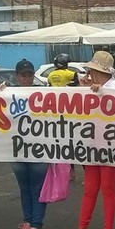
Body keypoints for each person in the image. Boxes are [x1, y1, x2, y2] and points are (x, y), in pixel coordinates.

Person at [66, 51, 115, 229]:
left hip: (110, 146)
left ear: (101, 72)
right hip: (92, 145)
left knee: (107, 189)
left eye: (93, 70)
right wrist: (85, 91)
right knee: (90, 189)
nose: (90, 74)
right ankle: (83, 228)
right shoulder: (91, 88)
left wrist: (100, 92)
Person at [8, 59, 49, 229]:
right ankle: (27, 222)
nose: (26, 78)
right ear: (17, 76)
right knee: (24, 189)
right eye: (23, 74)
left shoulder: (45, 94)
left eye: (29, 74)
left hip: (39, 150)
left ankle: (36, 226)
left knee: (37, 189)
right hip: (17, 150)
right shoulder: (8, 94)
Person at [47, 53, 78, 181]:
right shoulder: (67, 73)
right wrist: (69, 87)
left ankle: (62, 172)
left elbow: (49, 86)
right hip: (67, 109)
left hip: (54, 109)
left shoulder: (50, 75)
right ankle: (72, 171)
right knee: (71, 141)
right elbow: (77, 79)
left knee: (59, 142)